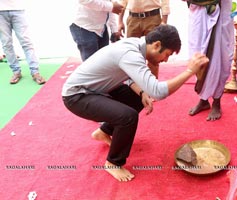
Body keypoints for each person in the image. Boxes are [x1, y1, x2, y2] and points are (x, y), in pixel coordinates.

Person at [62, 25, 209, 182]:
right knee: (128, 117)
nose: (165, 60)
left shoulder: (135, 45)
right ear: (157, 45)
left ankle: (104, 132)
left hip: (97, 90)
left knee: (140, 96)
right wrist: (190, 71)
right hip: (77, 96)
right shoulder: (130, 53)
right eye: (167, 54)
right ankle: (113, 163)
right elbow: (158, 92)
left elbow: (128, 76)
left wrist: (141, 92)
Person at [186, 0, 234, 121]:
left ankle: (217, 101)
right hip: (197, 10)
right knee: (198, 53)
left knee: (219, 55)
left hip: (221, 10)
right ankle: (204, 99)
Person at [118, 0, 170, 77]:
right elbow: (123, 1)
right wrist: (120, 21)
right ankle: (132, 86)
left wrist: (164, 21)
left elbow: (165, 1)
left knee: (154, 55)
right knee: (131, 54)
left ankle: (152, 86)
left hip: (153, 18)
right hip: (133, 19)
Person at [0, 0, 46, 84]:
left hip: (18, 9)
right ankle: (16, 72)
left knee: (26, 41)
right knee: (6, 43)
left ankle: (35, 72)